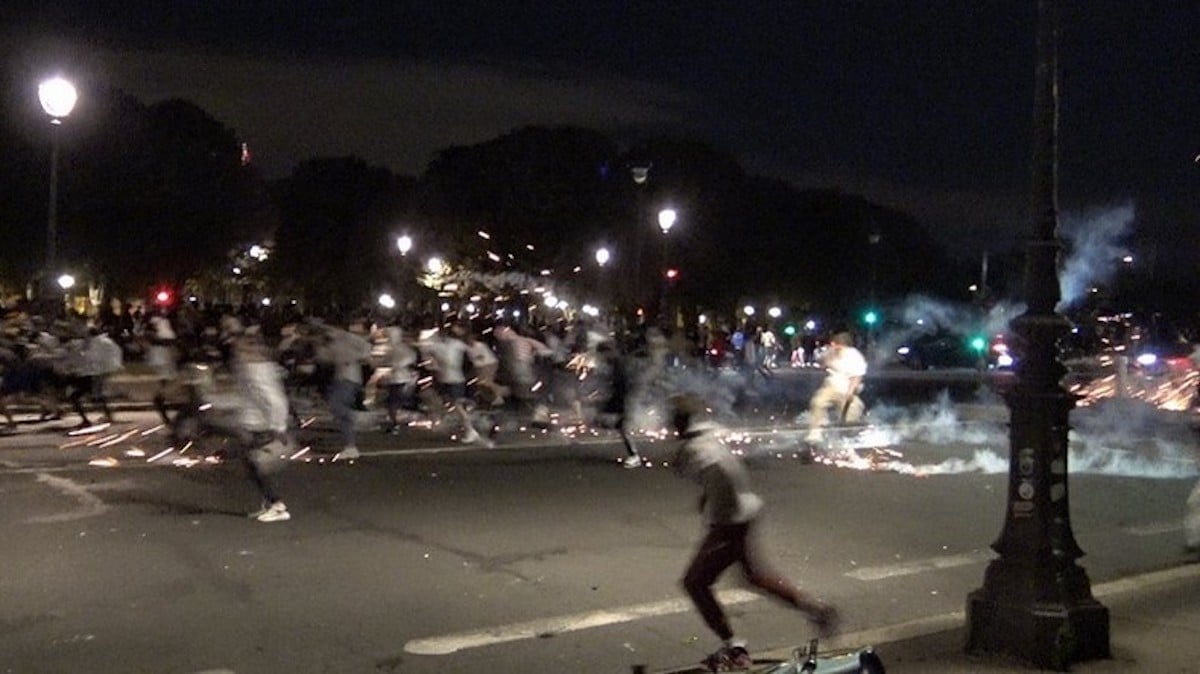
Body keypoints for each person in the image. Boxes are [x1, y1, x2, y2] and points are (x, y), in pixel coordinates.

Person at [669, 393, 840, 671]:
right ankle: (816, 609)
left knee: (695, 583)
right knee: (754, 577)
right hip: (746, 510)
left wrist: (719, 523)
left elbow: (718, 475)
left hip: (732, 519)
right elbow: (726, 472)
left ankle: (735, 647)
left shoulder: (695, 451)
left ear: (679, 422)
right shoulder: (705, 437)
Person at [317, 317, 372, 460]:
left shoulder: (348, 338)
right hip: (340, 377)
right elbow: (326, 358)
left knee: (337, 406)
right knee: (338, 412)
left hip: (350, 379)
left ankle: (355, 419)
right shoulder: (332, 343)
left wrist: (354, 357)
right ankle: (350, 446)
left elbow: (366, 348)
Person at [805, 331, 868, 446]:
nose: (834, 347)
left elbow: (857, 376)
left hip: (847, 387)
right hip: (832, 385)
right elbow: (822, 363)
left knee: (851, 417)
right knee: (818, 403)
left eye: (837, 345)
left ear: (843, 345)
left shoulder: (854, 356)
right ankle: (816, 433)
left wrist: (850, 392)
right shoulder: (831, 353)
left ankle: (850, 435)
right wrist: (826, 357)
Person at [595, 340, 644, 468]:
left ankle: (634, 456)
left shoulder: (620, 364)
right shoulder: (616, 363)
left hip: (626, 399)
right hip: (625, 399)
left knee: (624, 428)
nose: (602, 358)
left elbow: (624, 386)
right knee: (622, 427)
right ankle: (633, 455)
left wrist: (620, 405)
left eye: (603, 354)